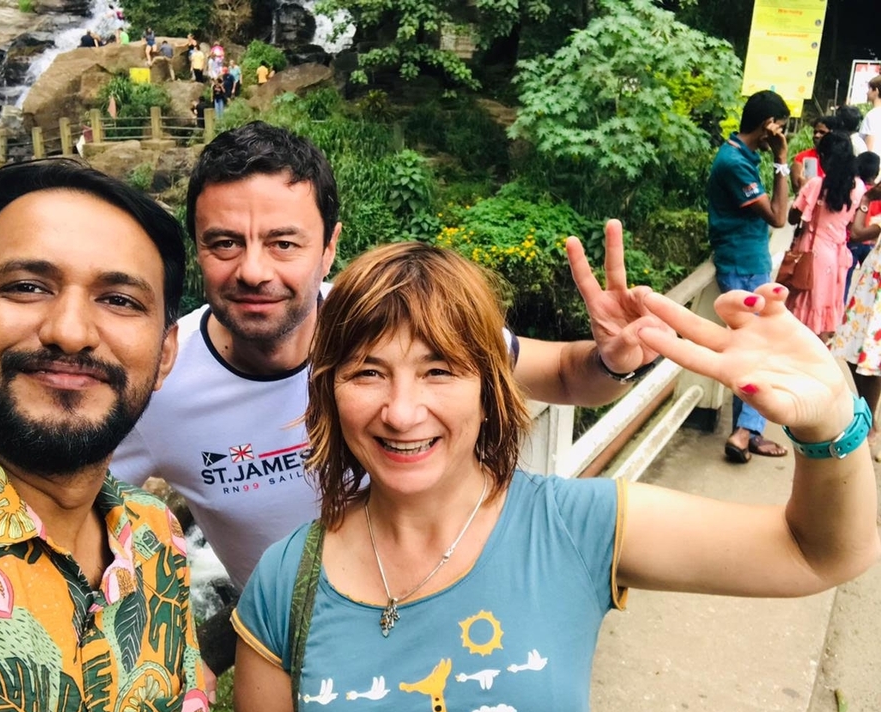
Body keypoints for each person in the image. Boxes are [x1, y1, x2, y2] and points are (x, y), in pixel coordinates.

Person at [231, 240, 880, 712]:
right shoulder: (288, 583)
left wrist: (832, 424)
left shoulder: (572, 527)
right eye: (368, 373)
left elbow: (819, 553)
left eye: (439, 372)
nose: (402, 411)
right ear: (329, 391)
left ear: (491, 387)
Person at [109, 122, 663, 675]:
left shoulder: (391, 322)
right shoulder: (158, 381)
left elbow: (567, 376)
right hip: (304, 662)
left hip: (464, 623)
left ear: (329, 248)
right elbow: (66, 506)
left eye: (284, 243)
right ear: (198, 251)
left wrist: (612, 360)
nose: (254, 270)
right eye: (225, 243)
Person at [0, 159, 211, 712]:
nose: (71, 332)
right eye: (27, 287)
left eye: (120, 300)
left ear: (165, 354)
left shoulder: (156, 539)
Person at [707, 90, 791, 463]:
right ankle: (746, 432)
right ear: (768, 126)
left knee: (752, 345)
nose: (783, 135)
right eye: (782, 128)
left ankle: (748, 429)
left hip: (745, 259)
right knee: (759, 348)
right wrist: (782, 160)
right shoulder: (734, 163)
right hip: (742, 264)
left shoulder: (740, 155)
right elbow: (778, 216)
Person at [785, 132, 865, 341]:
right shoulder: (858, 188)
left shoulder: (816, 185)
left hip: (812, 252)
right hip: (838, 255)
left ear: (822, 156)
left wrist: (803, 188)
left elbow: (793, 218)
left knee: (803, 306)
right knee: (825, 309)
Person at [832, 182, 881, 456]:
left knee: (873, 358)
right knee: (853, 351)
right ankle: (866, 412)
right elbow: (858, 232)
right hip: (870, 288)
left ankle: (870, 422)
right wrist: (867, 197)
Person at [845, 151, 881, 296]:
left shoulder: (855, 189)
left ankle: (841, 307)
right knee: (870, 285)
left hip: (851, 242)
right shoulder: (877, 193)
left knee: (845, 282)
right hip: (871, 243)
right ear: (876, 171)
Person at [790, 115, 838, 193]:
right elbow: (807, 189)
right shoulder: (808, 158)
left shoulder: (840, 157)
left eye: (822, 132)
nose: (816, 135)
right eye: (815, 132)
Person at [858, 75, 881, 152]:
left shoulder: (872, 116)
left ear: (876, 91)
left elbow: (868, 148)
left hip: (872, 162)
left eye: (869, 89)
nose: (867, 92)